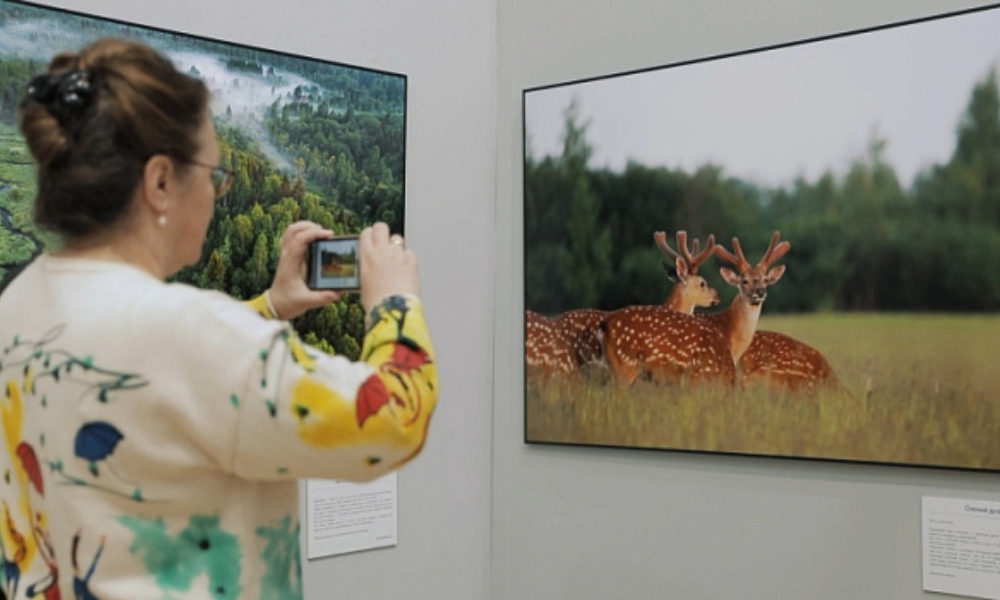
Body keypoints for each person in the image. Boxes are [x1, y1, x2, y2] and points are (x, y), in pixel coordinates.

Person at [0, 38, 437, 599]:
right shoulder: (192, 336)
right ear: (160, 182)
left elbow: (156, 358)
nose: (215, 191)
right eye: (213, 172)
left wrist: (271, 308)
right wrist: (395, 302)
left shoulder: (18, 302)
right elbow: (394, 421)